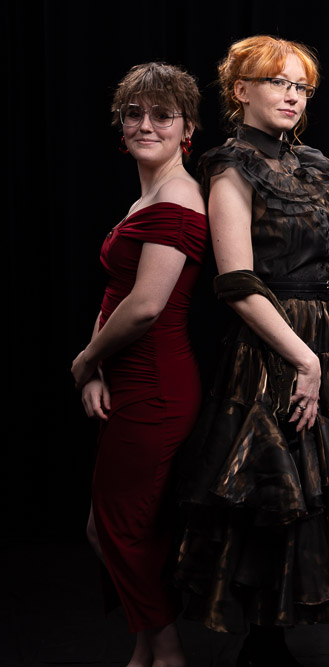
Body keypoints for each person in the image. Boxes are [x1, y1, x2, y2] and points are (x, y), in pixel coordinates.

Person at [173, 36, 329, 667]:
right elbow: (235, 282)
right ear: (241, 90)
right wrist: (302, 360)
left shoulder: (309, 165)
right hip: (270, 347)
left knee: (319, 489)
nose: (292, 96)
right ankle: (261, 641)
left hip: (323, 341)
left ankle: (280, 631)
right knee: (273, 491)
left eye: (300, 86)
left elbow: (323, 267)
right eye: (277, 82)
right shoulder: (230, 166)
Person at [71, 62, 208, 667]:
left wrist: (84, 361)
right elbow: (116, 293)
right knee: (127, 529)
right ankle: (146, 650)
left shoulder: (177, 198)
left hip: (157, 384)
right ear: (120, 125)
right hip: (129, 379)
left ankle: (168, 654)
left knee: (114, 529)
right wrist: (99, 371)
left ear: (188, 130)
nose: (146, 125)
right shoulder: (147, 195)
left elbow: (147, 306)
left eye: (163, 115)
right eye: (134, 114)